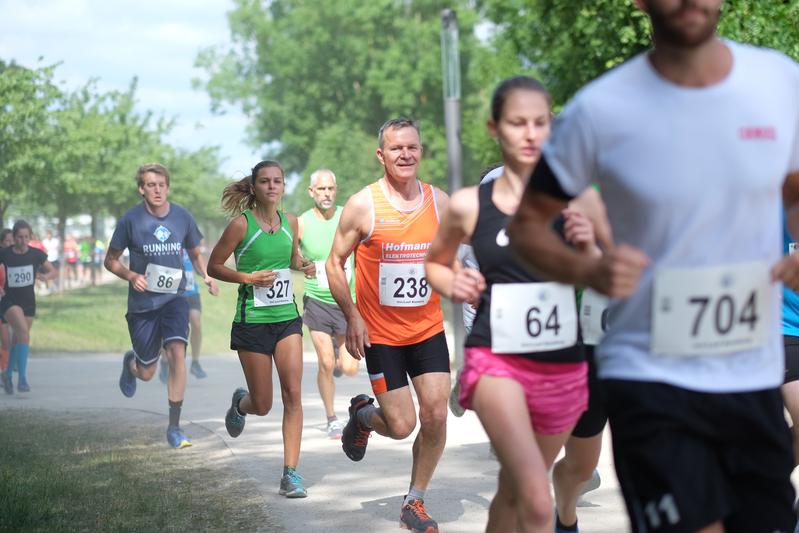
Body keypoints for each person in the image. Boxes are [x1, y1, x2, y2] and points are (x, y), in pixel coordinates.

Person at [507, 1, 799, 531]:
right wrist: (590, 272)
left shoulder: (779, 82)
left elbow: (795, 188)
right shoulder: (602, 110)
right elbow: (528, 224)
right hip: (649, 374)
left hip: (749, 373)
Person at [425, 77, 599, 532]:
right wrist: (454, 281)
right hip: (495, 357)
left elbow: (610, 278)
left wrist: (590, 252)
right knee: (538, 503)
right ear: (494, 128)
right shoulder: (470, 204)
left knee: (515, 490)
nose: (530, 133)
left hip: (562, 365)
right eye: (517, 123)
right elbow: (435, 265)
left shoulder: (580, 200)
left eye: (541, 123)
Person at [327, 118, 450, 532]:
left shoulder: (439, 202)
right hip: (381, 335)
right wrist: (353, 316)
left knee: (435, 416)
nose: (405, 155)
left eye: (412, 147)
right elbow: (333, 263)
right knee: (401, 426)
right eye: (396, 149)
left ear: (421, 151)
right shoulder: (363, 205)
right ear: (381, 155)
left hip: (428, 328)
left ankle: (414, 501)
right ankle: (363, 415)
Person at [208, 160, 315, 499]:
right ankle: (241, 404)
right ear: (254, 187)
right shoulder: (241, 225)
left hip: (286, 319)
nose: (272, 186)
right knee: (264, 403)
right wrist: (247, 278)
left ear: (284, 187)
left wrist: (304, 265)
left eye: (278, 181)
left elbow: (292, 259)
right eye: (265, 181)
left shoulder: (292, 223)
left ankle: (291, 474)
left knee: (293, 395)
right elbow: (214, 265)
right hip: (252, 321)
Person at [104, 163, 213, 449]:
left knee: (177, 351)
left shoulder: (182, 216)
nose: (156, 189)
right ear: (141, 189)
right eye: (150, 185)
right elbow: (110, 260)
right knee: (148, 371)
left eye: (161, 184)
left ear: (167, 187)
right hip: (142, 305)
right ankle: (131, 364)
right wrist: (130, 275)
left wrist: (206, 275)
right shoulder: (130, 220)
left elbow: (194, 250)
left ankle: (174, 427)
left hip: (175, 298)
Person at [298, 168, 360, 439]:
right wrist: (301, 265)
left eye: (330, 189)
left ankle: (338, 354)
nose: (326, 194)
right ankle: (332, 418)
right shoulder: (301, 223)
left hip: (347, 302)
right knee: (324, 362)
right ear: (311, 192)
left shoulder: (349, 215)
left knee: (349, 368)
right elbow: (290, 256)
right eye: (320, 189)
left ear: (336, 190)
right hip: (317, 300)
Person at [0, 220, 57, 393]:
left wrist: (45, 277)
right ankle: (23, 379)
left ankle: (8, 374)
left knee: (19, 340)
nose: (22, 240)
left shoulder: (36, 254)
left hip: (28, 302)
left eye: (26, 237)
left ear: (30, 237)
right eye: (19, 237)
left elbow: (53, 270)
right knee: (23, 333)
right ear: (14, 237)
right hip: (9, 301)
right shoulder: (5, 253)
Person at [159, 249, 219, 383]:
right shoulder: (167, 244)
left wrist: (206, 277)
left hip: (191, 292)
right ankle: (164, 361)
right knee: (169, 328)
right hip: (172, 292)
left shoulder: (189, 244)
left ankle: (195, 362)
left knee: (196, 322)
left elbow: (198, 263)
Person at [0, 228, 13, 379]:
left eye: (12, 241)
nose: (10, 244)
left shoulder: (15, 258)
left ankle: (4, 371)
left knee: (6, 340)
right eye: (6, 241)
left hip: (7, 304)